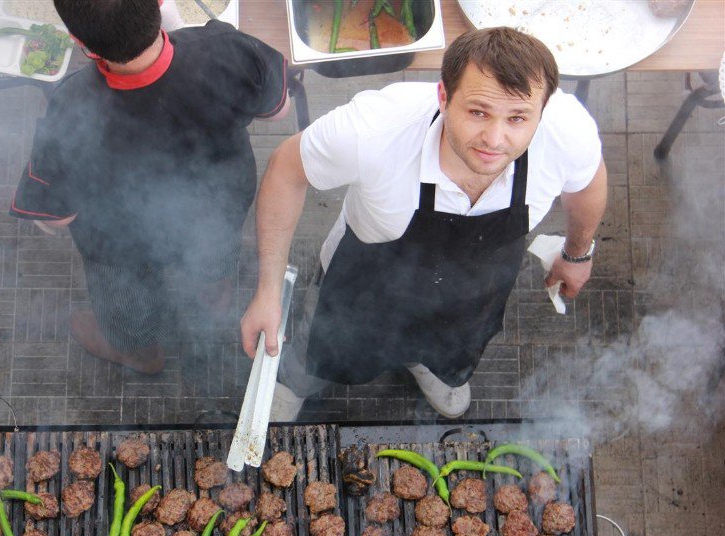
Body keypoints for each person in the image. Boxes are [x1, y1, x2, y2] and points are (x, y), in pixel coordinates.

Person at [240, 27, 607, 419]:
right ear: (444, 97)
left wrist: (577, 253)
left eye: (517, 118)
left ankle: (429, 365)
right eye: (477, 112)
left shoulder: (567, 131)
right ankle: (298, 381)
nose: (494, 139)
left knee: (454, 344)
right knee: (324, 340)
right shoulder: (376, 130)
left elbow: (588, 184)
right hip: (365, 282)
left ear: (542, 110)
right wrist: (268, 292)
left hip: (474, 291)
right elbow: (287, 169)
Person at [10, 0, 290, 374]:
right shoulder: (226, 49)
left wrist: (46, 222)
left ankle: (141, 354)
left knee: (124, 296)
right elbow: (279, 108)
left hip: (122, 243)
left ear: (79, 40)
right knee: (215, 252)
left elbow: (59, 217)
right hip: (217, 209)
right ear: (161, 4)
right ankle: (215, 298)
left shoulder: (72, 105)